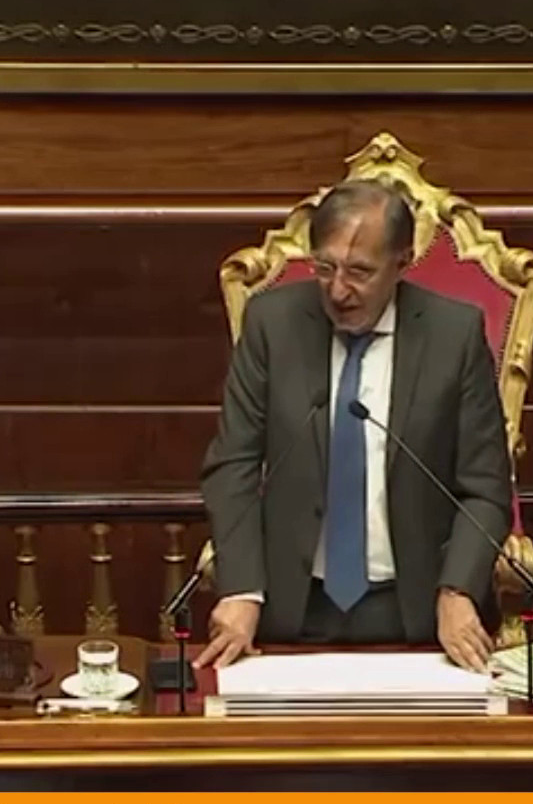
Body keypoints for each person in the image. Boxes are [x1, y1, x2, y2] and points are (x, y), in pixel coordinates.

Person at [197, 180, 513, 671]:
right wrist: (241, 589)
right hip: (289, 611)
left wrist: (458, 590)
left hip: (421, 616)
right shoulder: (272, 324)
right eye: (325, 268)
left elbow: (485, 486)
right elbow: (232, 465)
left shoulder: (454, 335)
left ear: (403, 262)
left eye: (360, 272)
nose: (338, 290)